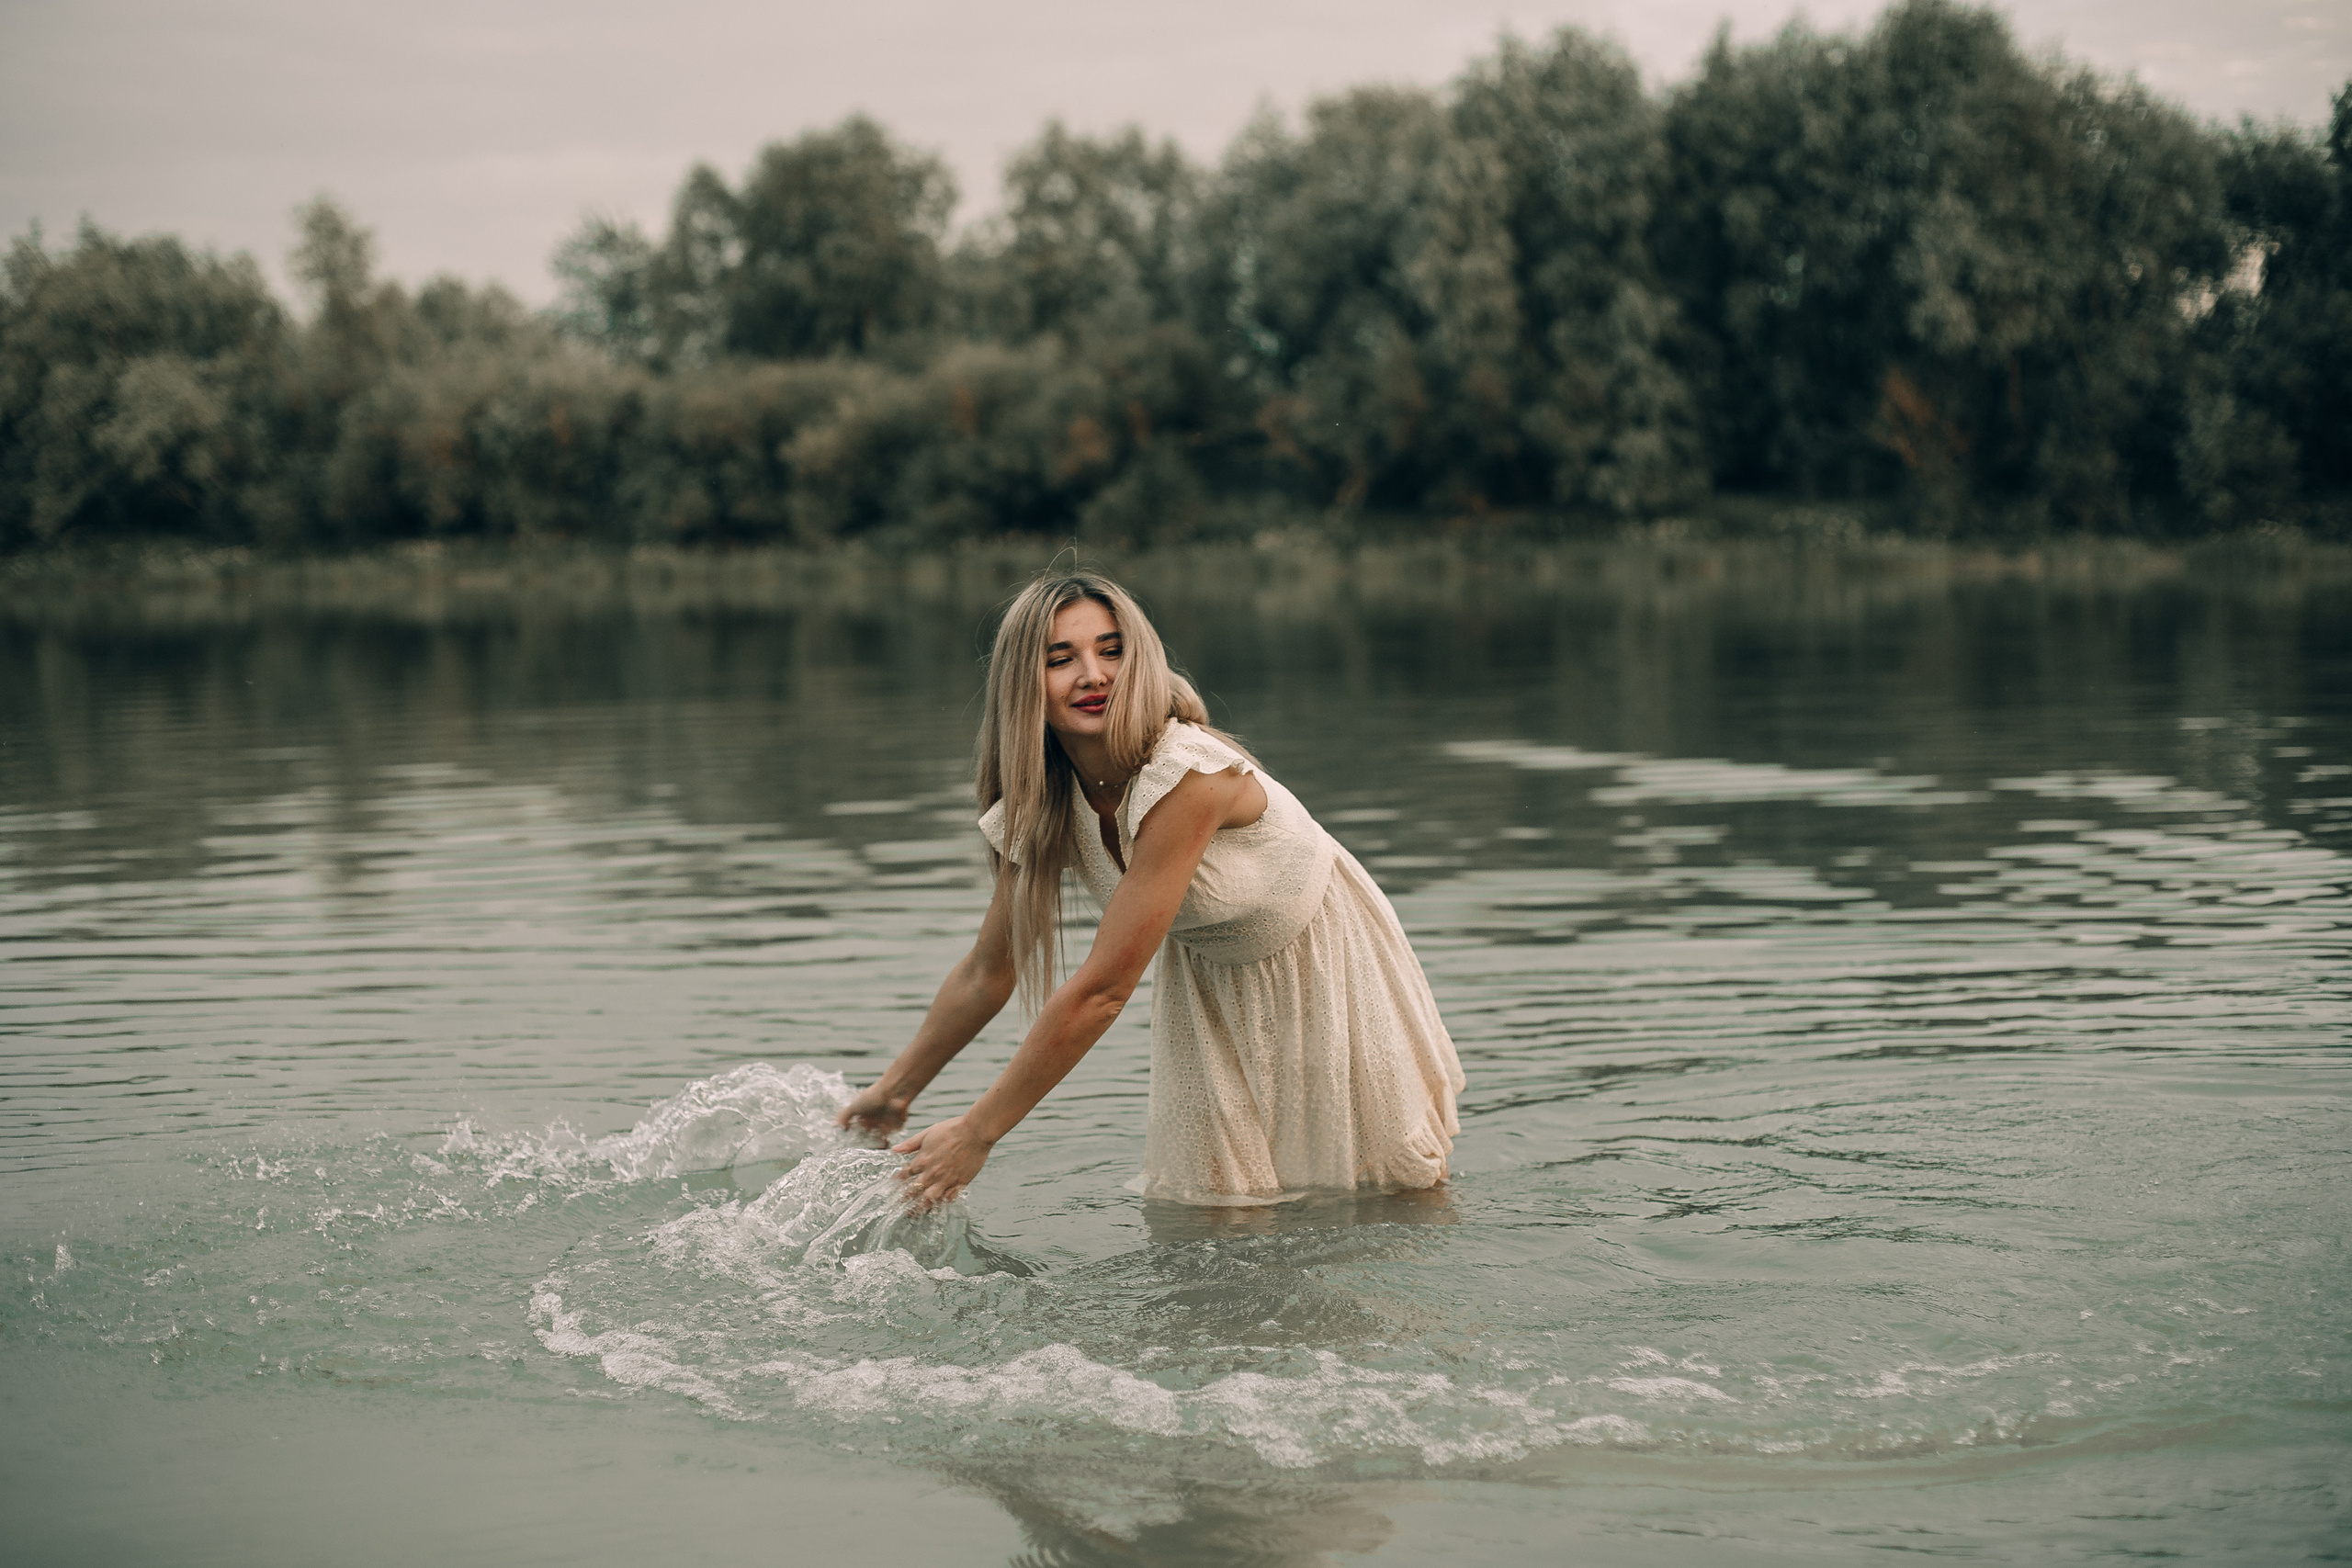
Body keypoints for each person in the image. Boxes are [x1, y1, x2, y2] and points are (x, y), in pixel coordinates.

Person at [838, 570, 1464, 1207]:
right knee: (1216, 1211)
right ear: (1022, 683)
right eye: (1061, 659)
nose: (1093, 674)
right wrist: (895, 1091)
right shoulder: (1043, 799)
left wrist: (978, 1132)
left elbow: (1104, 990)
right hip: (1208, 978)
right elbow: (987, 970)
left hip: (1324, 959)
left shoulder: (1186, 773)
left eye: (1112, 650)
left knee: (1390, 1198)